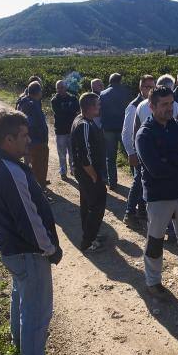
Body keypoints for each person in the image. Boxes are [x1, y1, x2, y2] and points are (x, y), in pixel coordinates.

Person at [0, 110, 67, 355]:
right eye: (23, 135)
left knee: (21, 298)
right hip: (27, 253)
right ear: (8, 139)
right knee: (37, 312)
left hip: (12, 252)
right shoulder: (11, 173)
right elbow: (30, 221)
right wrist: (51, 249)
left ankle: (20, 344)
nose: (28, 139)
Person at [135, 86, 178, 298]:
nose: (169, 108)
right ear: (152, 106)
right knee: (155, 240)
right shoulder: (144, 135)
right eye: (164, 104)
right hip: (159, 196)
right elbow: (156, 169)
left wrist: (170, 158)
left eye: (171, 103)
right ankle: (153, 280)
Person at [71, 92, 108, 253]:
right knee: (97, 205)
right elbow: (84, 154)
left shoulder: (81, 120)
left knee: (87, 204)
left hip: (86, 173)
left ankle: (90, 235)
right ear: (90, 107)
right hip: (89, 173)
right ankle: (88, 242)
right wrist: (93, 175)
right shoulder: (84, 124)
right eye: (98, 104)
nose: (100, 106)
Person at [121, 74, 156, 224]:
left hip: (149, 152)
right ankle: (129, 212)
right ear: (140, 88)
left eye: (152, 86)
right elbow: (126, 133)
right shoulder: (134, 106)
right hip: (139, 152)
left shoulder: (153, 103)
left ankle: (141, 210)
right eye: (146, 86)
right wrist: (131, 153)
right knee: (138, 181)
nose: (149, 89)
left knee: (143, 183)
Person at [98, 73, 131, 190]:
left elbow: (99, 110)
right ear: (120, 81)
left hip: (108, 129)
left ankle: (113, 183)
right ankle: (136, 180)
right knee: (129, 154)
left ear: (110, 81)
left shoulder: (103, 94)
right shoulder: (126, 92)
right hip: (123, 127)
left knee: (110, 157)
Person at [16, 81, 49, 188]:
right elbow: (31, 125)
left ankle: (37, 185)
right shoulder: (31, 105)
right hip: (37, 142)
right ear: (38, 92)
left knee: (35, 166)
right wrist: (40, 137)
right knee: (39, 167)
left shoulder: (26, 102)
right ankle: (40, 190)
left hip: (34, 142)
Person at [51, 80, 79, 179]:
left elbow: (76, 109)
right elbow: (59, 112)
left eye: (62, 87)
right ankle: (63, 171)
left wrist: (67, 111)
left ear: (65, 87)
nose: (60, 89)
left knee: (73, 153)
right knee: (62, 153)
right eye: (58, 88)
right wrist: (69, 110)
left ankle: (73, 170)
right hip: (60, 131)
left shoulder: (73, 98)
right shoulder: (54, 100)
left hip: (72, 130)